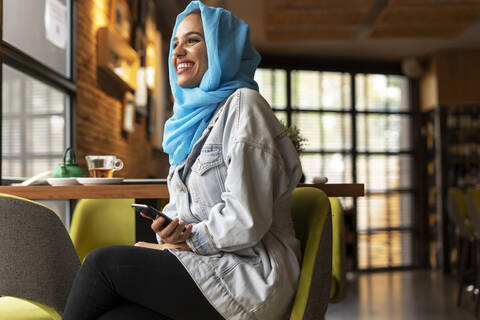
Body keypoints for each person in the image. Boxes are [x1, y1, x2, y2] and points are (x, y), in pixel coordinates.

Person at [63, 2, 302, 319]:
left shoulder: (245, 106)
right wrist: (171, 234)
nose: (177, 52)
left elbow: (246, 219)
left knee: (102, 264)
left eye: (192, 40)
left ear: (221, 48)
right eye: (175, 43)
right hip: (206, 268)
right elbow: (183, 213)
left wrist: (191, 240)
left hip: (249, 280)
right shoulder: (192, 125)